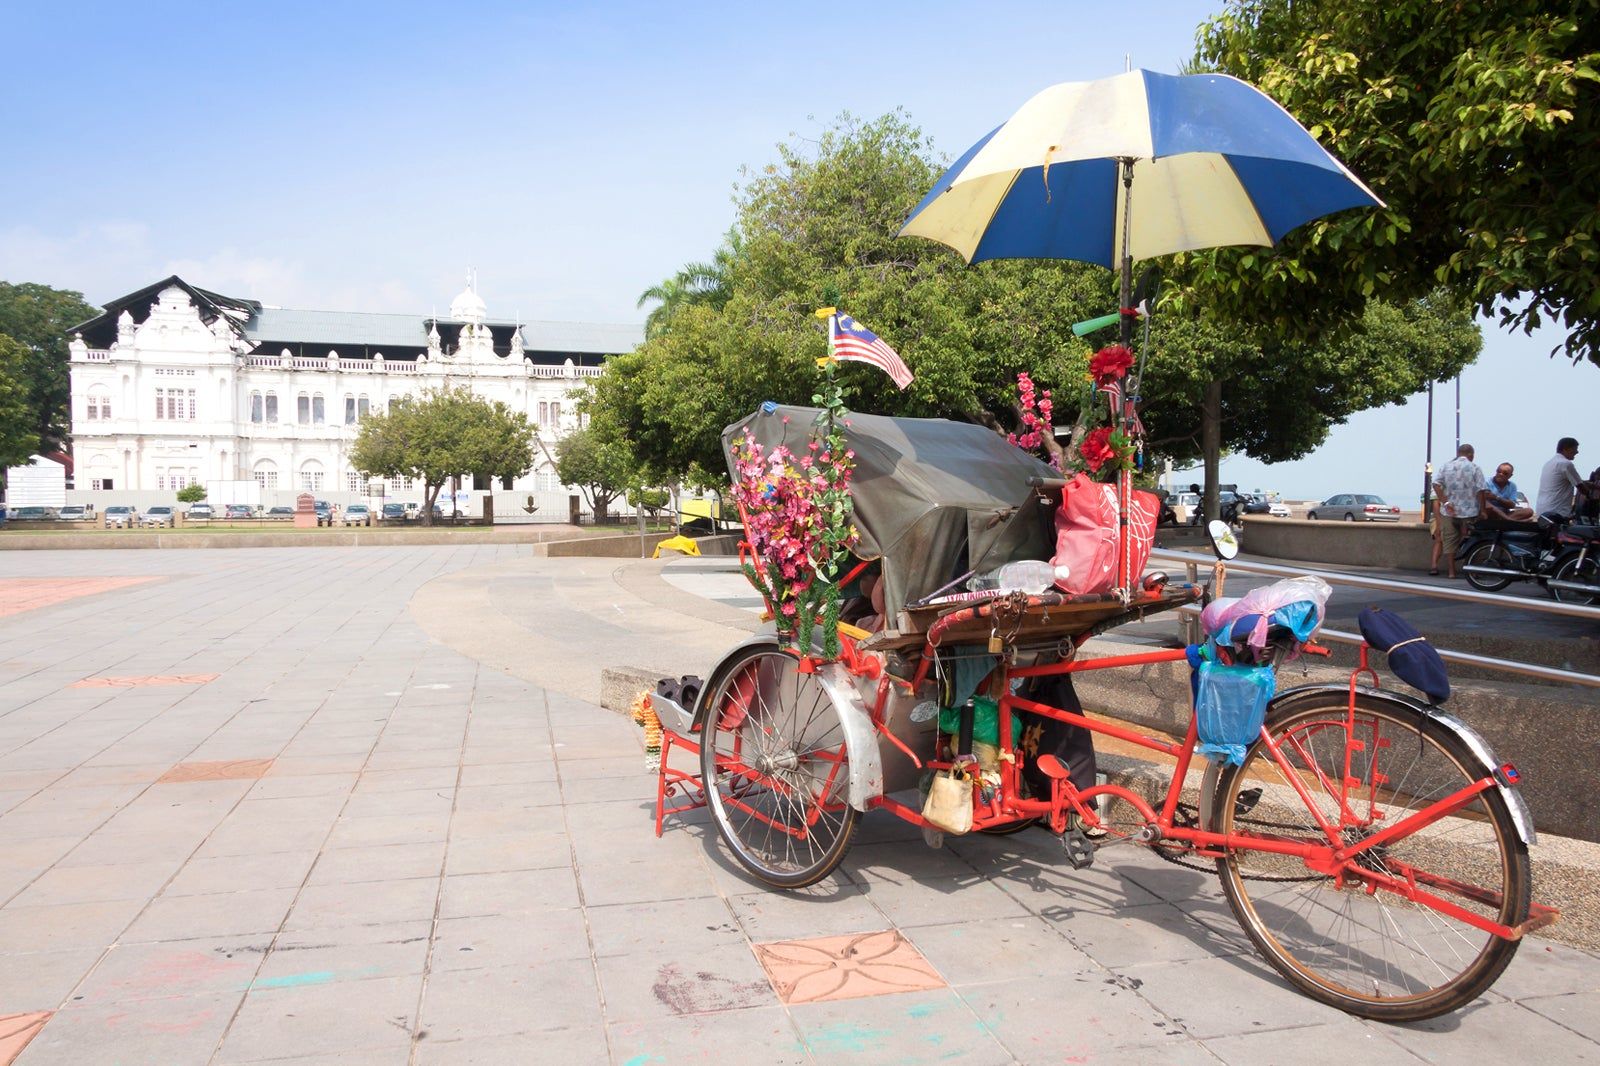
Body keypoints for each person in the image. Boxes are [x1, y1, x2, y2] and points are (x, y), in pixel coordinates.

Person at [1433, 443, 1485, 579]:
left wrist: (1445, 502)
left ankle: (1451, 572)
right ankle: (1473, 571)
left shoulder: (1445, 466)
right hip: (1470, 511)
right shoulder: (1475, 468)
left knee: (1449, 541)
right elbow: (1481, 490)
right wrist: (1483, 510)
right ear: (1471, 454)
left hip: (1449, 511)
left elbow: (1436, 484)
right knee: (1473, 540)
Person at [1536, 438, 1584, 519]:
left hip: (1542, 511)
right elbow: (1581, 487)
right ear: (1566, 449)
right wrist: (1592, 494)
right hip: (1557, 513)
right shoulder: (1566, 464)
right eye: (1575, 449)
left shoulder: (1549, 463)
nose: (1577, 452)